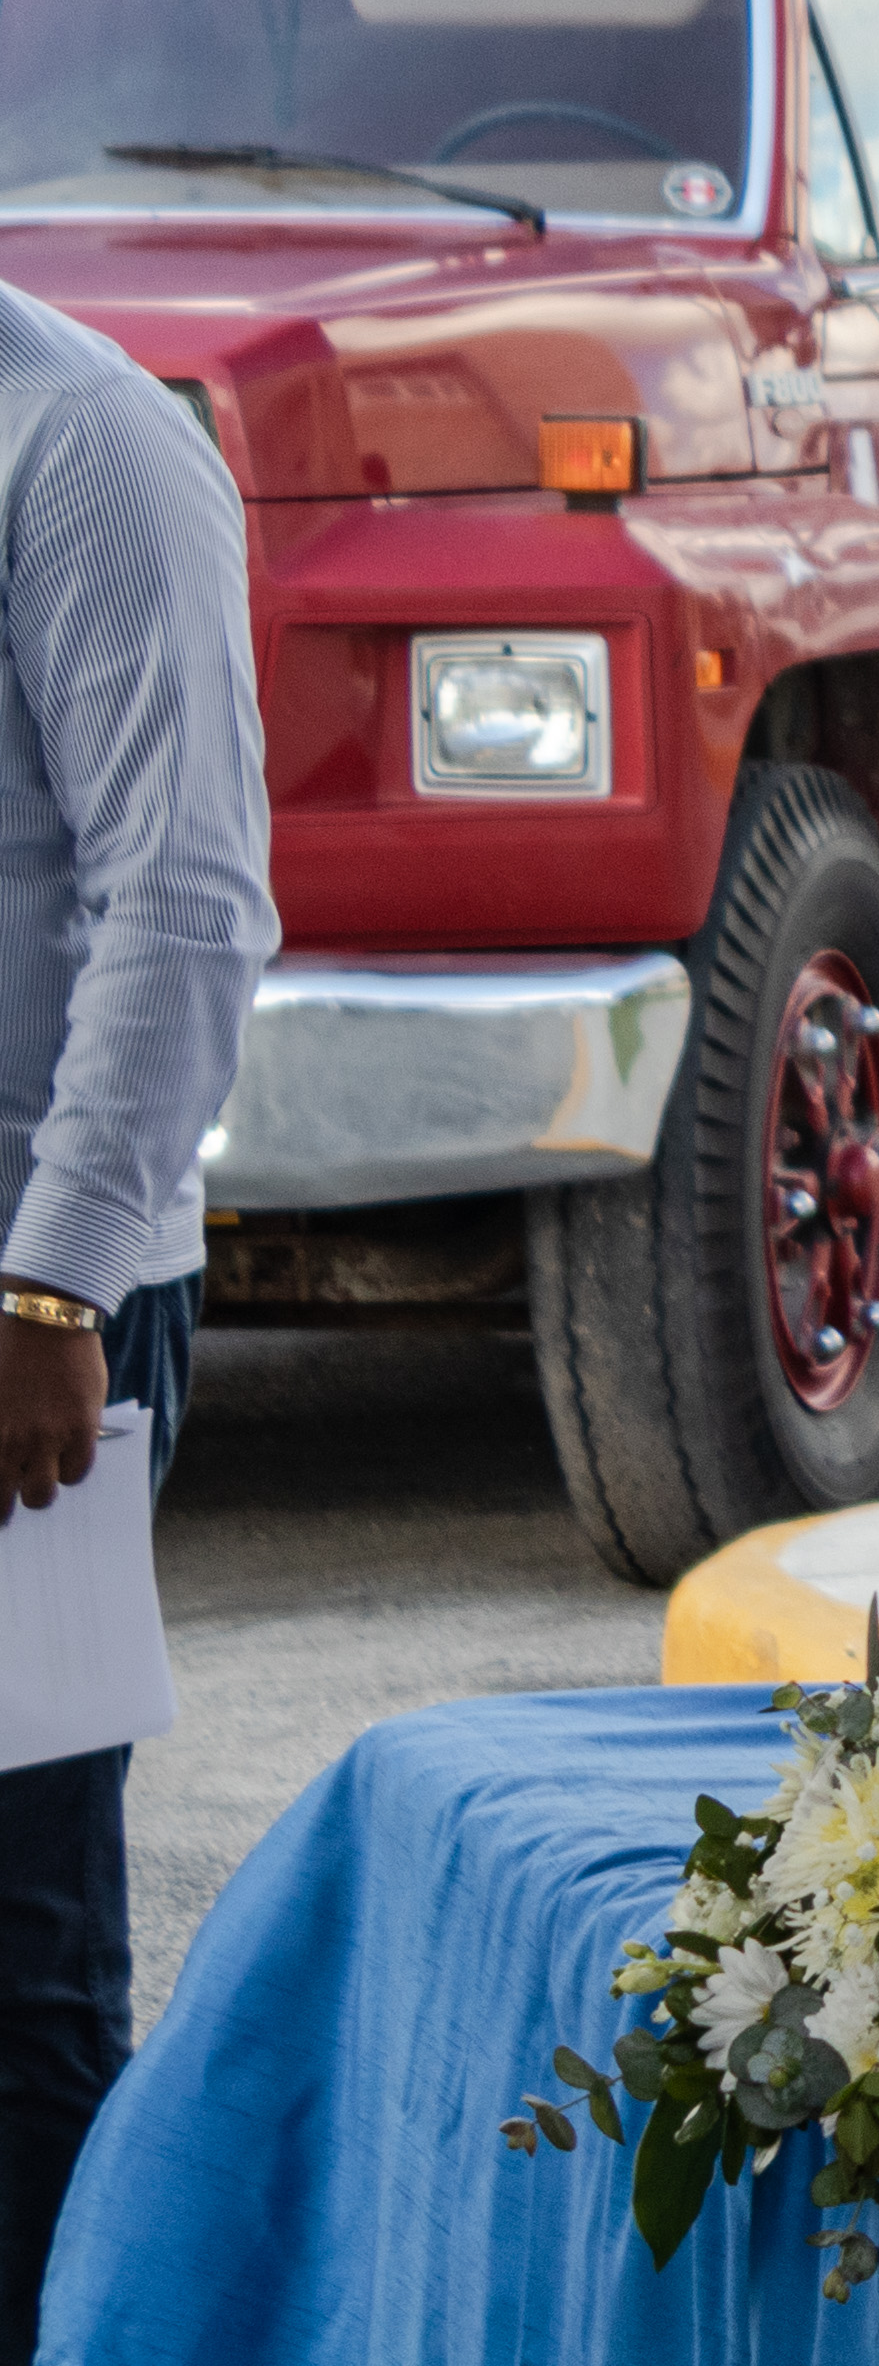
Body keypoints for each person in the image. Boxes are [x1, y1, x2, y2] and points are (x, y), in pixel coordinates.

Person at [0, 283, 267, 2361]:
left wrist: (52, 1275)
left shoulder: (85, 437)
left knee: (15, 1956)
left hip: (21, 1310)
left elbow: (185, 885)